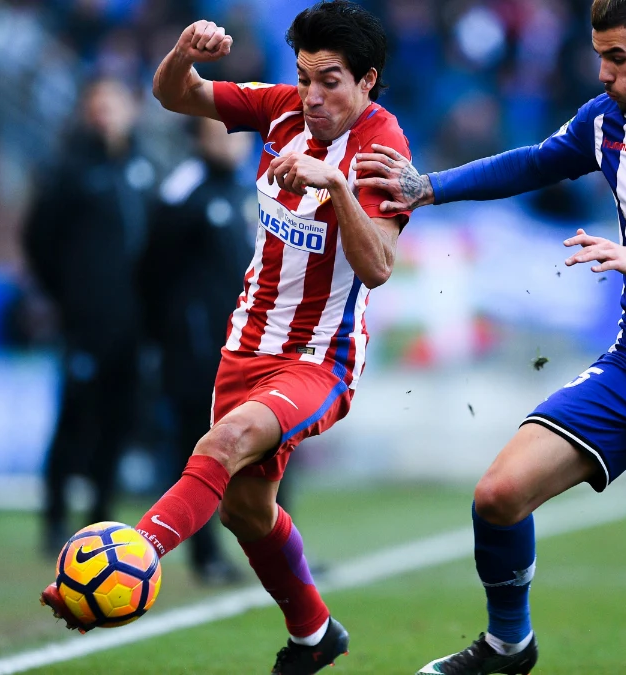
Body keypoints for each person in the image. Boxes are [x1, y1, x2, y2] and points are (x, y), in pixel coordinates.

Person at [357, 1, 626, 673]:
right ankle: (508, 645)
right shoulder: (606, 120)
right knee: (498, 495)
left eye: (617, 58)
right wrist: (428, 187)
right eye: (599, 56)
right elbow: (537, 162)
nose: (603, 72)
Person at [40, 4, 414, 673]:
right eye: (304, 78)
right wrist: (184, 52)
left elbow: (379, 266)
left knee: (222, 443)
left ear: (368, 81)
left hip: (316, 358)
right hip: (244, 346)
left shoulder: (382, 148)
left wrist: (335, 187)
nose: (313, 96)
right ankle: (314, 633)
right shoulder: (279, 110)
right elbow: (173, 94)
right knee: (246, 510)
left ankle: (137, 552)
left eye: (331, 81)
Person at [23, 76, 157, 554]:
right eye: (97, 103)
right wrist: (69, 296)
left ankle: (99, 516)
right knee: (75, 417)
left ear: (132, 109)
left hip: (133, 322)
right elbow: (38, 241)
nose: (106, 113)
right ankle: (54, 516)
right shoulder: (69, 170)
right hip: (85, 322)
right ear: (86, 111)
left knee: (119, 421)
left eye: (114, 102)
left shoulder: (144, 167)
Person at [137, 118, 256, 585]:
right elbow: (152, 270)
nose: (236, 141)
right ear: (198, 136)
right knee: (198, 449)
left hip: (246, 346)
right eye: (224, 130)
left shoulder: (246, 190)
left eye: (242, 131)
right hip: (196, 349)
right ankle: (205, 556)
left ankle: (279, 552)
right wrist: (173, 332)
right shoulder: (182, 191)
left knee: (270, 447)